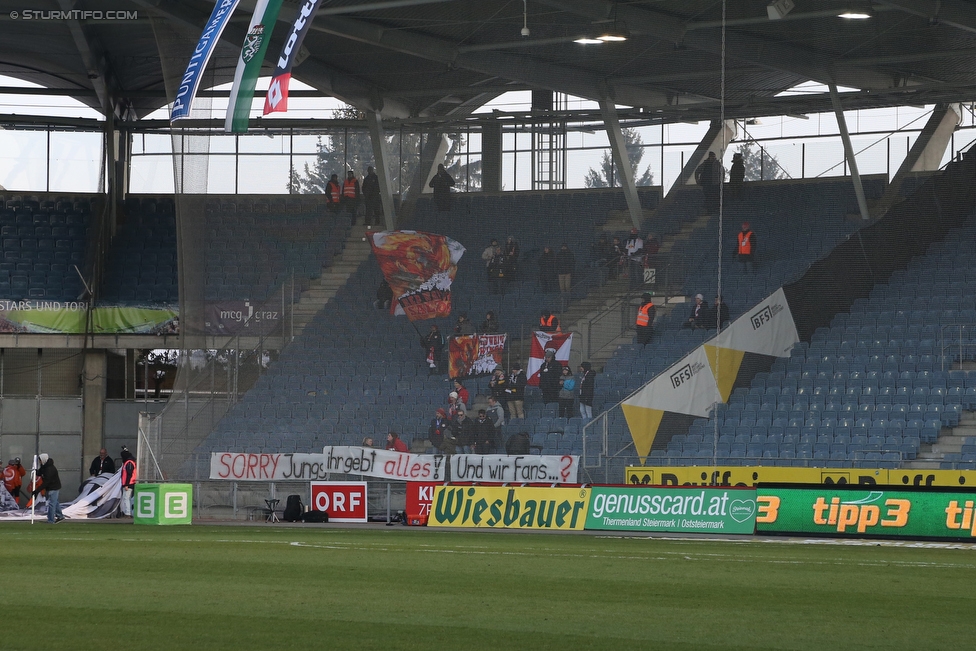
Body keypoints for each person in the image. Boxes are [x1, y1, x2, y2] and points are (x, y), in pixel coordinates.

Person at [33, 453, 63, 524]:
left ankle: (51, 520)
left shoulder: (49, 469)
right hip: (51, 487)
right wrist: (37, 472)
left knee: (52, 504)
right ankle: (60, 516)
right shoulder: (44, 466)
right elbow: (41, 472)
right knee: (55, 502)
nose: (39, 462)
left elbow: (46, 482)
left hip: (53, 487)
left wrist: (37, 490)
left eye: (40, 460)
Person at [120, 447, 137, 517]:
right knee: (127, 498)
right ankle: (128, 512)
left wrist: (126, 484)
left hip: (129, 483)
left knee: (126, 498)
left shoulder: (129, 463)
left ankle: (128, 513)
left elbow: (129, 474)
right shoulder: (130, 462)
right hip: (129, 483)